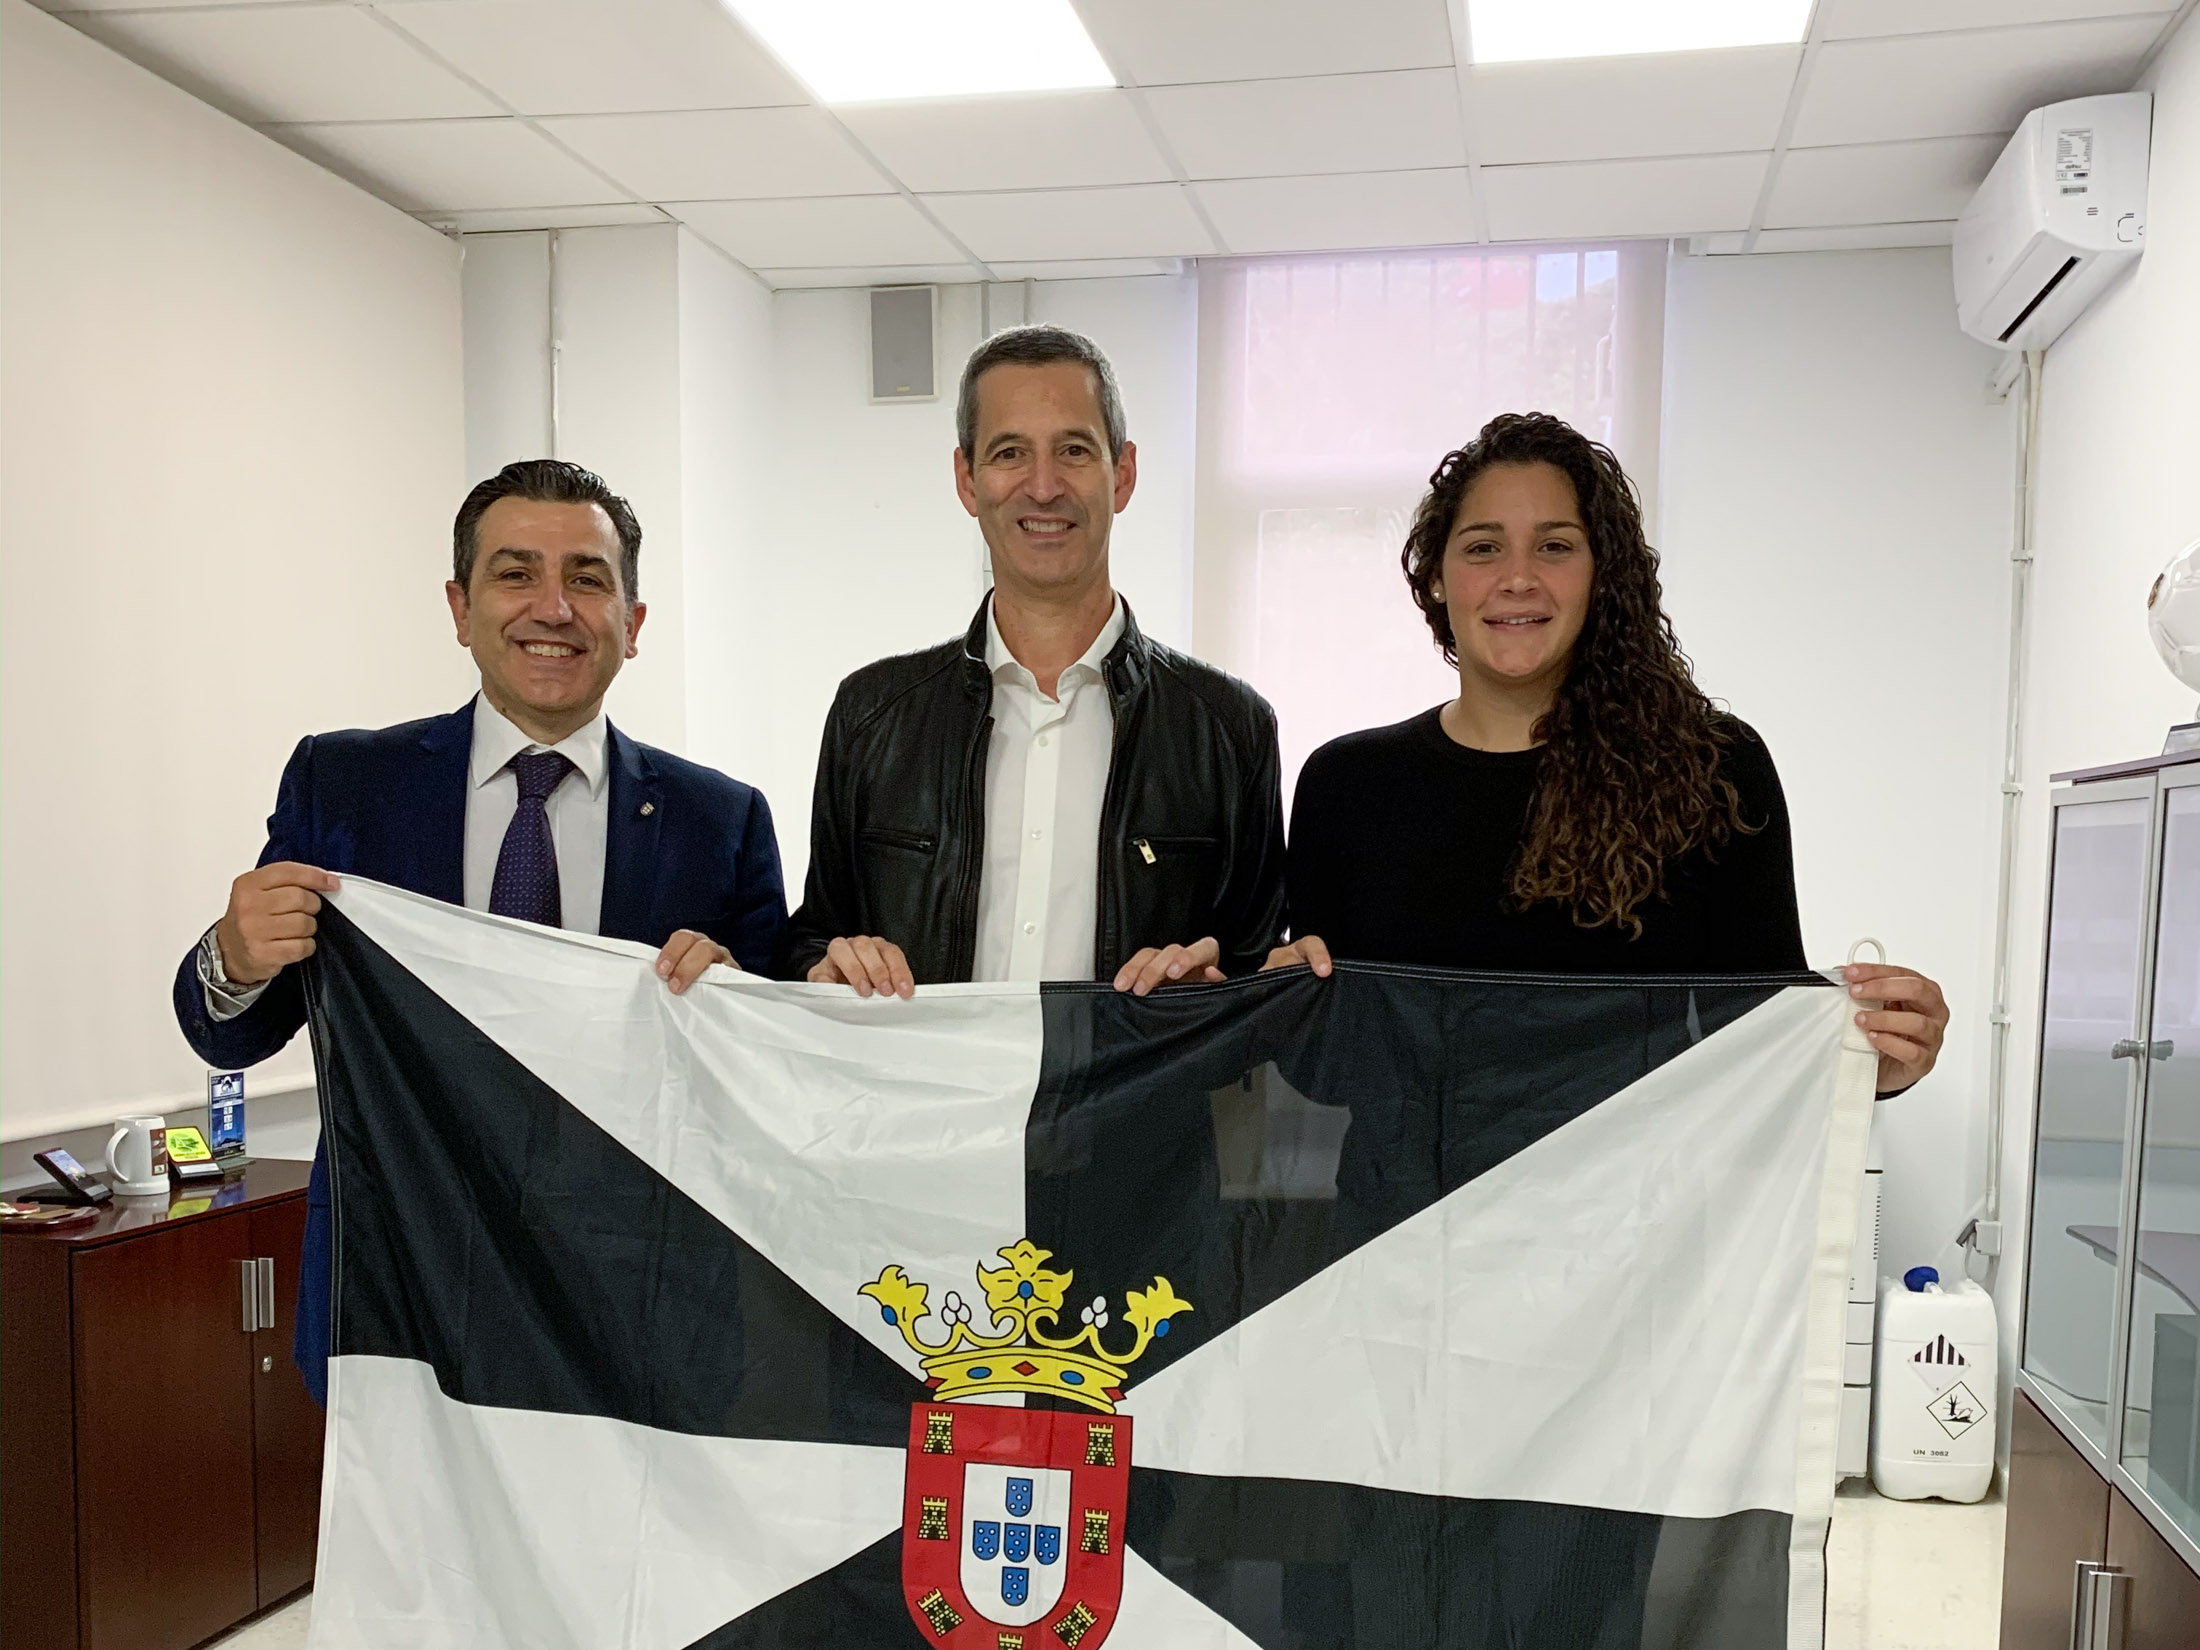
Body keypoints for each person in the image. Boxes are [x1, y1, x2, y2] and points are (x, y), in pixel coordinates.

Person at [172, 458, 787, 1405]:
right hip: (396, 1298)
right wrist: (236, 954)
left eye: (587, 578)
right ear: (460, 609)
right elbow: (230, 1031)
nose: (554, 607)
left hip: (636, 1319)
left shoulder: (721, 822)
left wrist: (739, 1003)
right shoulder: (347, 787)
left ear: (634, 625)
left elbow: (768, 1088)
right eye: (515, 574)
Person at [1270, 411, 1948, 1096]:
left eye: (1555, 547)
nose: (1518, 578)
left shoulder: (1711, 770)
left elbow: (1760, 1044)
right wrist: (1280, 1010)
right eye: (1483, 548)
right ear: (1437, 576)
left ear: (1602, 574)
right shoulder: (1347, 785)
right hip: (1403, 1203)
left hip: (1638, 1202)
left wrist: (1878, 1065)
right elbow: (1322, 1077)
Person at [782, 325, 1285, 997]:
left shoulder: (1230, 728)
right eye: (1009, 452)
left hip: (1134, 1103)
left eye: (1074, 451)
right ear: (967, 479)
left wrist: (1213, 988)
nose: (1043, 487)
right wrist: (826, 965)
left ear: (1123, 473)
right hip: (926, 1101)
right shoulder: (871, 714)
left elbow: (1256, 974)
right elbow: (812, 940)